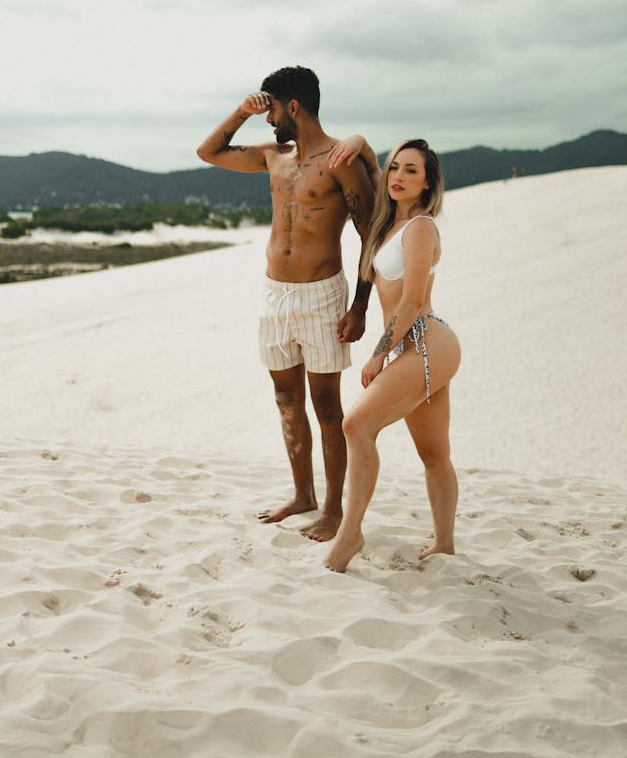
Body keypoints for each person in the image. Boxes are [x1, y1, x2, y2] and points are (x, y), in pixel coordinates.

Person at [196, 67, 379, 542]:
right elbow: (208, 152)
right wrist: (241, 110)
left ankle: (335, 510)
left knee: (326, 406)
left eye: (271, 108)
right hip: (275, 294)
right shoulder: (274, 157)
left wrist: (360, 306)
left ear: (293, 107)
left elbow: (371, 236)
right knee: (286, 399)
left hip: (322, 295)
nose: (267, 118)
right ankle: (303, 494)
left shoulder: (342, 159)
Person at [323, 138, 461, 572]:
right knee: (434, 453)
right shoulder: (389, 226)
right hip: (412, 345)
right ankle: (444, 543)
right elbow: (373, 171)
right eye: (395, 168)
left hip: (425, 341)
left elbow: (413, 300)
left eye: (412, 171)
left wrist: (378, 355)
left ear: (427, 183)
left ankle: (350, 533)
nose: (399, 177)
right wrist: (363, 145)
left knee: (356, 424)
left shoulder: (421, 228)